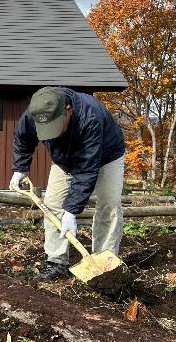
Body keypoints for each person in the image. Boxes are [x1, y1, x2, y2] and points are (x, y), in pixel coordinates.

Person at [11, 86, 125, 281]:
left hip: (106, 156)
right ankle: (56, 262)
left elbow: (87, 170)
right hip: (64, 159)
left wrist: (71, 211)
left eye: (55, 126)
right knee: (53, 204)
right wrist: (20, 169)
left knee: (109, 205)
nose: (52, 134)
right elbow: (23, 138)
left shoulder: (90, 117)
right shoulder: (36, 112)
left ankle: (105, 265)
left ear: (68, 110)